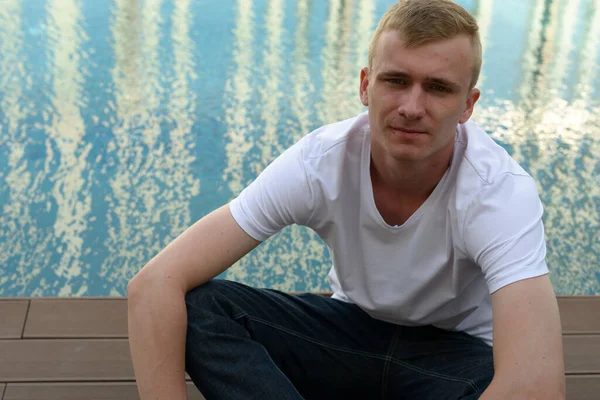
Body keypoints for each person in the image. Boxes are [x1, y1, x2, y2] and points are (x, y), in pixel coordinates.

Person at [127, 0, 566, 399]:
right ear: (365, 85)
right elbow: (154, 284)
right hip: (348, 338)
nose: (412, 106)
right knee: (203, 309)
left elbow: (538, 383)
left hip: (456, 363)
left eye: (437, 88)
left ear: (468, 105)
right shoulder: (320, 162)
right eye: (396, 80)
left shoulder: (498, 191)